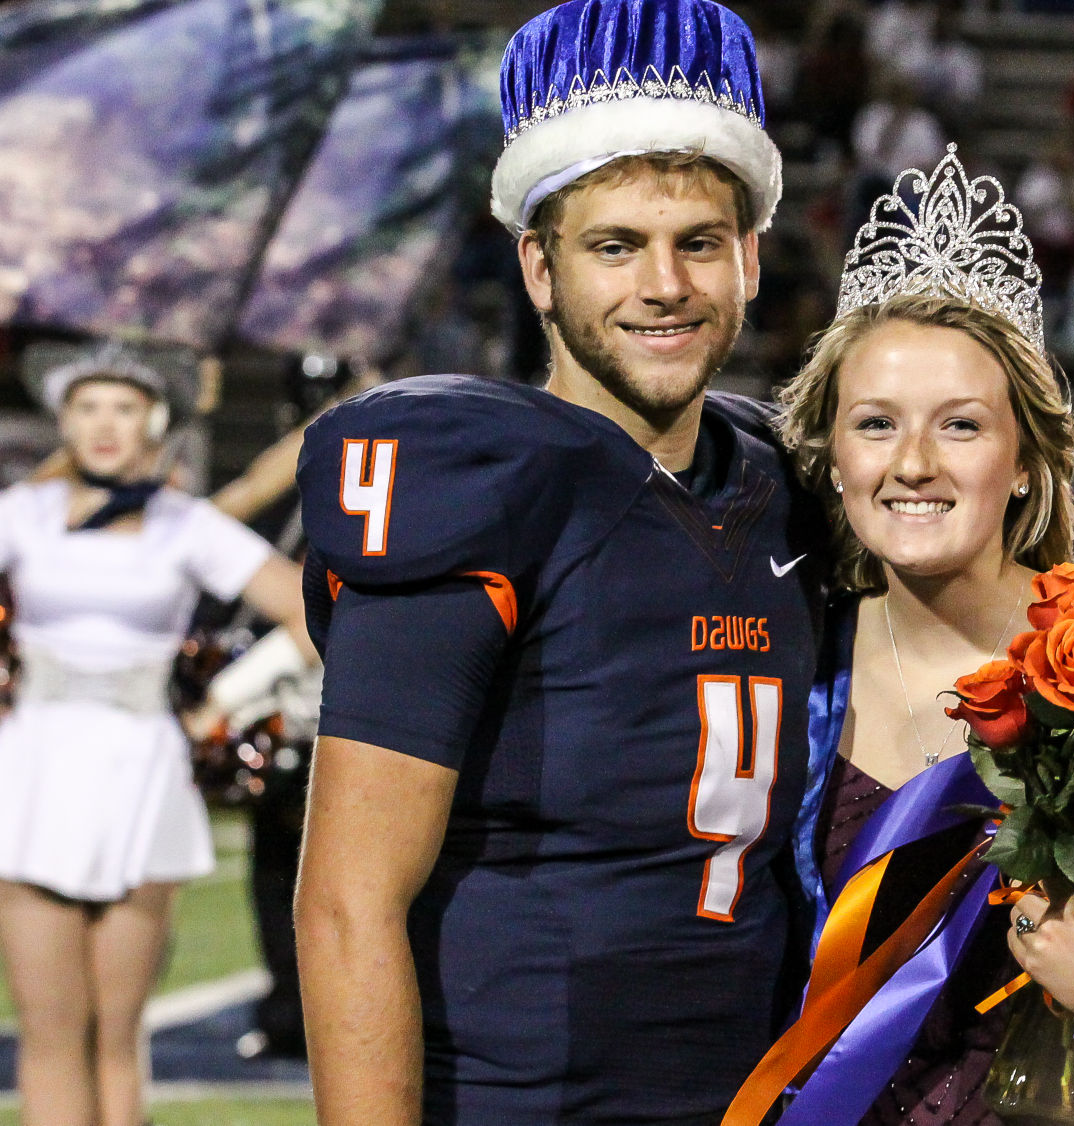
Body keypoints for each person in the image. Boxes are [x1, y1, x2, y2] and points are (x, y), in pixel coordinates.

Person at [292, 2, 825, 1124]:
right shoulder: (471, 482)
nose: (665, 286)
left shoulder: (788, 474)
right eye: (615, 245)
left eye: (699, 243)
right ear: (539, 268)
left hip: (754, 1093)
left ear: (752, 258)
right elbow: (348, 901)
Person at [770, 147, 1074, 1124]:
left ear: (1029, 460)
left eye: (960, 426)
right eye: (875, 424)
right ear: (831, 457)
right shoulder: (786, 667)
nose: (912, 463)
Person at [0, 346, 318, 1126]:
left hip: (142, 766)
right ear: (63, 420)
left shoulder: (186, 524)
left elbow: (310, 613)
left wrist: (222, 703)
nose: (104, 425)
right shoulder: (22, 513)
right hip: (33, 765)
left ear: (156, 419)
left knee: (115, 1029)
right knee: (47, 1028)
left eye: (122, 407)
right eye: (86, 407)